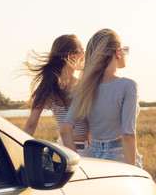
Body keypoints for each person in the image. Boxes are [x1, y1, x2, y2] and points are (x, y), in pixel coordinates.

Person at [60, 28, 142, 167]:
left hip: (93, 159)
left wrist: (77, 166)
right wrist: (132, 172)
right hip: (120, 157)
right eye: (124, 49)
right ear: (117, 53)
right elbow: (128, 135)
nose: (125, 53)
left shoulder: (85, 87)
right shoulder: (128, 86)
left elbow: (65, 130)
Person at [23, 34, 90, 156]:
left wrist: (19, 151)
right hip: (83, 150)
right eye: (83, 51)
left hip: (61, 150)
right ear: (73, 56)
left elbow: (30, 124)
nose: (85, 55)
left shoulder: (46, 86)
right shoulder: (82, 86)